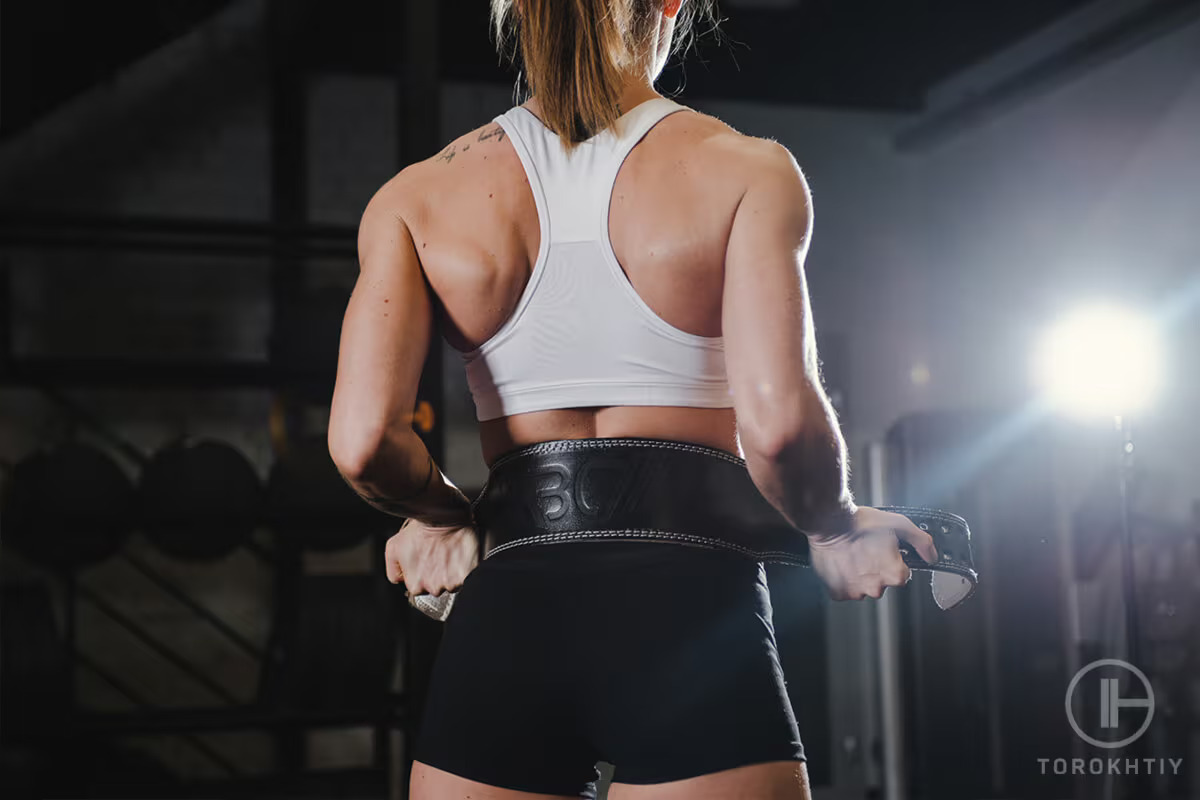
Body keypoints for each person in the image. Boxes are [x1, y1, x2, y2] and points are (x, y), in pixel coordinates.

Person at [328, 0, 938, 797]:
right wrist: (834, 524)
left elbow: (363, 443)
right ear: (671, 6)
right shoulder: (746, 169)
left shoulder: (414, 199)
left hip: (506, 623)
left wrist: (444, 514)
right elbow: (782, 431)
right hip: (688, 615)